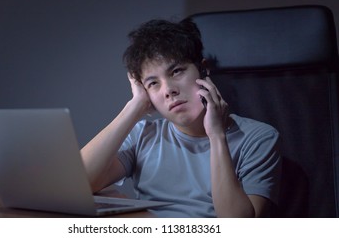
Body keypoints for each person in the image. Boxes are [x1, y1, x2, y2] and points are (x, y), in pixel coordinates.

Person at [80, 18, 281, 217]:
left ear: (203, 70)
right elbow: (79, 184)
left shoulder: (258, 137)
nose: (168, 90)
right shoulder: (143, 136)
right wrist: (134, 107)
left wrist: (217, 136)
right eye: (153, 83)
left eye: (176, 72)